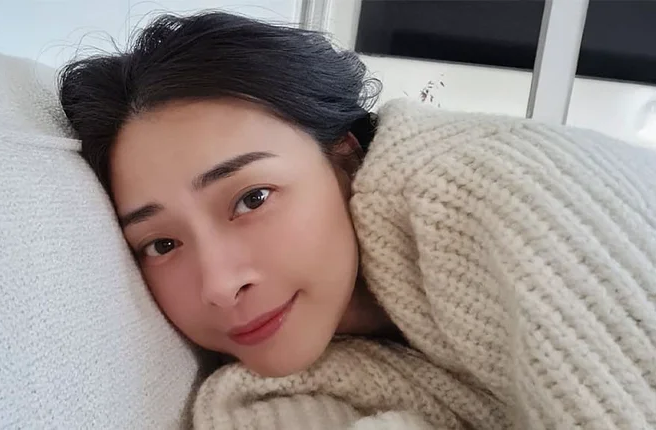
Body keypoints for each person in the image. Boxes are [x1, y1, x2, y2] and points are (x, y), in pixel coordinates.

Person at [59, 12, 656, 430]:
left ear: (344, 151)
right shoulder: (272, 376)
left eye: (253, 198)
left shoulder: (488, 187)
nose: (218, 284)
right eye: (162, 243)